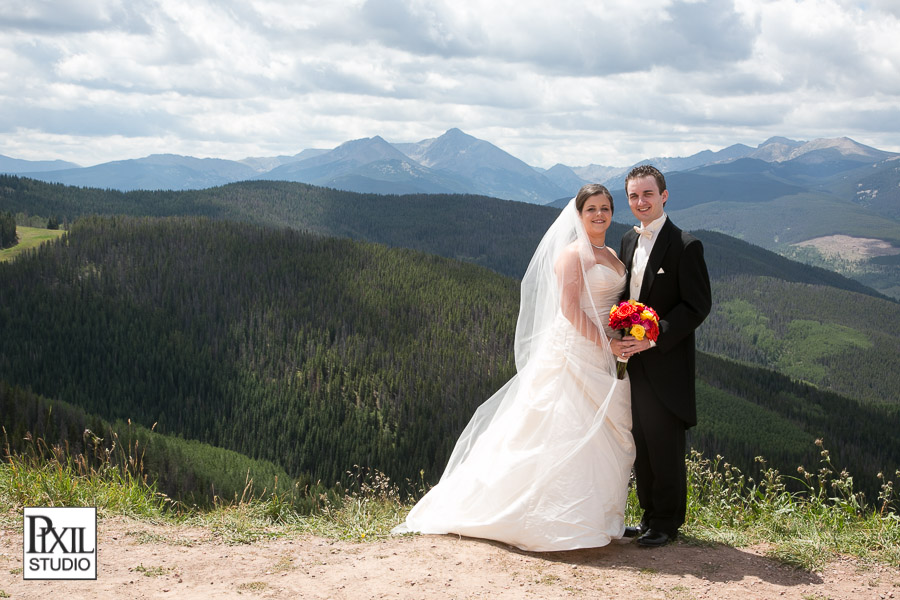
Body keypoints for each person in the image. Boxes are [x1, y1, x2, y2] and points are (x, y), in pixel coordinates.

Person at [393, 184, 635, 551]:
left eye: (605, 208)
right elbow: (570, 311)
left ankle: (597, 515)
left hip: (605, 352)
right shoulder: (573, 254)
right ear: (579, 214)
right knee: (560, 429)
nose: (599, 215)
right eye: (591, 209)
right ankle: (544, 516)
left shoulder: (612, 253)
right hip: (576, 351)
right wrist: (608, 342)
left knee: (601, 434)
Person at [613, 165, 711, 548]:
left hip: (666, 362)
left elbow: (696, 306)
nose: (641, 202)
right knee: (641, 442)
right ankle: (649, 516)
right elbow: (626, 296)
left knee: (665, 445)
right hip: (631, 363)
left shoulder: (686, 245)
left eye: (648, 194)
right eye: (634, 196)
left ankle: (668, 523)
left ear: (664, 195)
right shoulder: (626, 240)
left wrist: (653, 339)